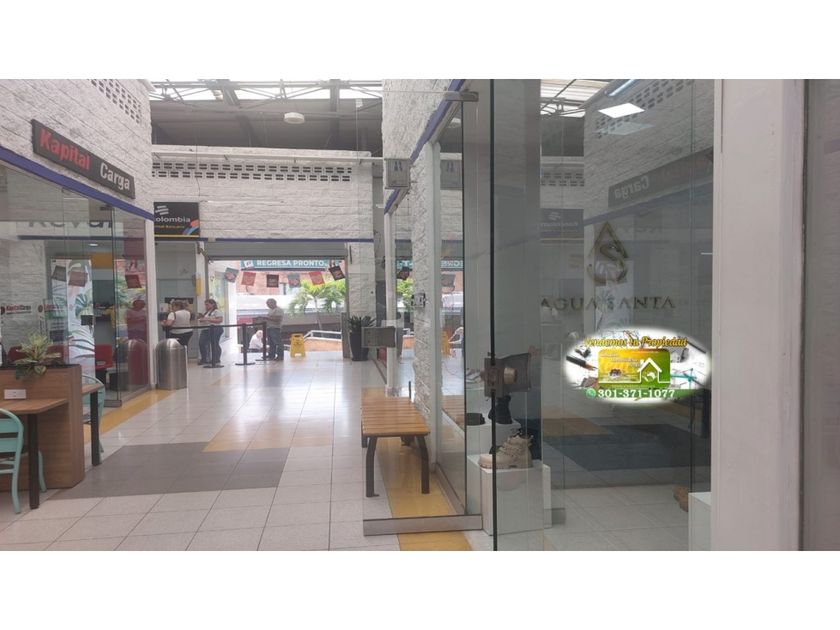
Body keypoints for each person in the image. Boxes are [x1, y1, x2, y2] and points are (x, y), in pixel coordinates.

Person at [197, 298, 224, 366]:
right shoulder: (207, 312)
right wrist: (202, 319)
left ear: (213, 304)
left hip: (215, 329)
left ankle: (216, 359)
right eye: (205, 305)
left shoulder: (217, 311)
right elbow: (205, 320)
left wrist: (207, 319)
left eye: (207, 304)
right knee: (201, 343)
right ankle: (204, 359)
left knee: (214, 344)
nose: (206, 306)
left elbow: (219, 320)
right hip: (206, 329)